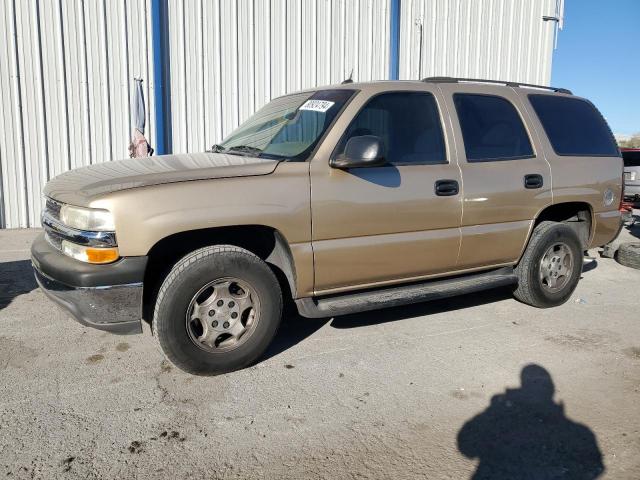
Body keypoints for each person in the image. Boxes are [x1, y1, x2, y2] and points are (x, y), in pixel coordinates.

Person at [457, 364, 604, 479]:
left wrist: (493, 410)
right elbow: (594, 468)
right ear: (551, 390)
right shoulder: (578, 433)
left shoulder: (501, 415)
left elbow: (466, 446)